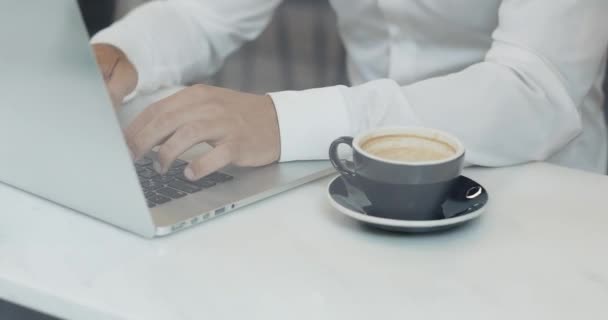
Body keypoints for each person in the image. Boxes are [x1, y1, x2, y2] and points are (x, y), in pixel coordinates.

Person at [91, 0, 608, 181]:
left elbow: (535, 87)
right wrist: (123, 52)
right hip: (355, 183)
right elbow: (203, 11)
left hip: (538, 185)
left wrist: (286, 122)